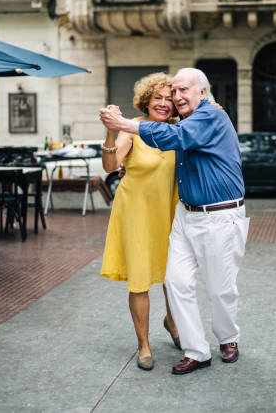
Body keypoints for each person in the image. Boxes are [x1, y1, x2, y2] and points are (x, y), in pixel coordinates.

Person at [100, 67, 249, 376]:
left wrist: (124, 123)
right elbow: (123, 161)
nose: (175, 98)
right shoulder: (181, 121)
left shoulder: (207, 118)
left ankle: (228, 338)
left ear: (203, 94)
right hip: (183, 214)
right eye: (170, 92)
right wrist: (123, 140)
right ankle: (196, 351)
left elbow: (176, 137)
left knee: (220, 289)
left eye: (181, 92)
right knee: (177, 281)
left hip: (220, 214)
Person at [100, 72, 180, 371]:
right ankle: (143, 344)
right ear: (146, 101)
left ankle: (172, 319)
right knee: (141, 279)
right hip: (136, 213)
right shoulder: (131, 130)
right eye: (157, 98)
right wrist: (111, 130)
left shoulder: (178, 130)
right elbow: (111, 165)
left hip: (170, 212)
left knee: (175, 276)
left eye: (169, 99)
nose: (163, 103)